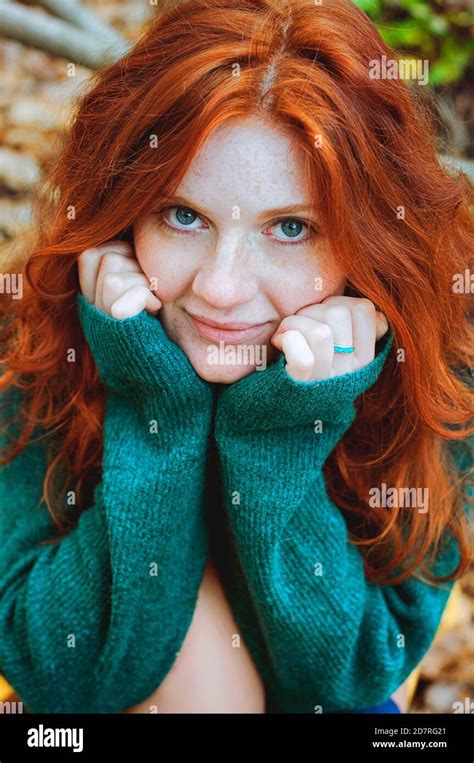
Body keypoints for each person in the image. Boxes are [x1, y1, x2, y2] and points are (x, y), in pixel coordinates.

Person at [0, 0, 472, 714]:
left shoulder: (442, 374)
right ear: (124, 210)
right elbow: (59, 674)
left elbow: (345, 686)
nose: (220, 288)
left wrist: (282, 431)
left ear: (369, 239)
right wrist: (153, 400)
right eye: (183, 215)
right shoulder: (37, 338)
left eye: (290, 227)